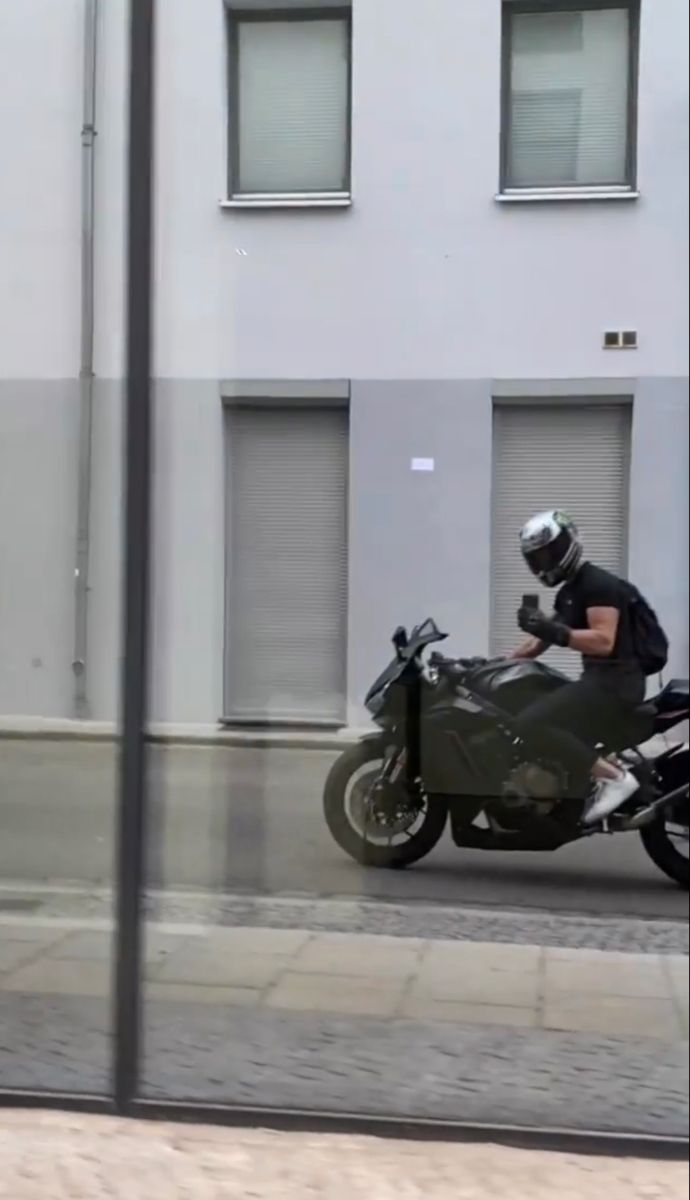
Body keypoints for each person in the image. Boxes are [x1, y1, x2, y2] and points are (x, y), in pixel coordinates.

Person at [508, 510, 645, 825]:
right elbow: (536, 644)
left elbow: (603, 641)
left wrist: (556, 632)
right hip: (601, 682)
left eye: (549, 553)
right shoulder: (571, 591)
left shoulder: (597, 585)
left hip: (615, 685)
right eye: (537, 558)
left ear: (568, 544)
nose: (544, 562)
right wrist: (491, 665)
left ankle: (613, 777)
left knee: (529, 724)